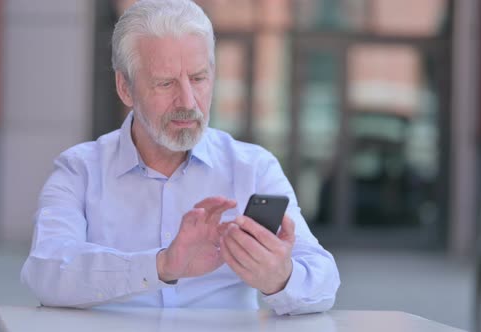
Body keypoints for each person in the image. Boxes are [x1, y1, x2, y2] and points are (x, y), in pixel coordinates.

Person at [21, 0, 340, 315]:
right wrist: (161, 265)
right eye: (165, 83)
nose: (187, 100)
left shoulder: (254, 168)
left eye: (198, 79)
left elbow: (323, 282)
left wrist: (280, 278)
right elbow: (45, 272)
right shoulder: (79, 170)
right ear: (125, 87)